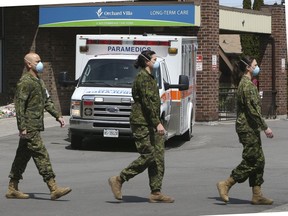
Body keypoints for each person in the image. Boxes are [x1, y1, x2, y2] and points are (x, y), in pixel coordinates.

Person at [108, 50, 174, 203]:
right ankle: (119, 179)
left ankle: (156, 192)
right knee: (148, 155)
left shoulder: (151, 77)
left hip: (151, 122)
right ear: (146, 62)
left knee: (158, 157)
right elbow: (147, 103)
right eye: (154, 59)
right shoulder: (142, 78)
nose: (156, 62)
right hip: (142, 122)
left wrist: (157, 122)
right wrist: (157, 123)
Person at [5, 52, 72, 200]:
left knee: (22, 156)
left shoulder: (39, 81)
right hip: (29, 126)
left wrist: (57, 116)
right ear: (28, 64)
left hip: (35, 124)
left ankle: (12, 188)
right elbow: (20, 105)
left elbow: (47, 101)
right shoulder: (25, 82)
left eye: (40, 61)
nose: (40, 64)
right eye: (37, 61)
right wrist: (21, 126)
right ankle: (53, 188)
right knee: (41, 154)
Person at [216, 56, 274, 205]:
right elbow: (252, 111)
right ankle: (226, 183)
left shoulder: (248, 83)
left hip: (251, 127)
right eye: (255, 65)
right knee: (252, 160)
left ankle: (257, 194)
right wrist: (265, 127)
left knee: (259, 160)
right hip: (247, 128)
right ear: (248, 68)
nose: (257, 67)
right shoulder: (246, 85)